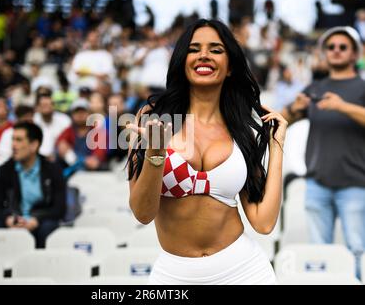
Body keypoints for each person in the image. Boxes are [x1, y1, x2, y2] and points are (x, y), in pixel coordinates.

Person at [127, 19, 287, 285]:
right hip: (175, 276)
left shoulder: (240, 130)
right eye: (194, 49)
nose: (204, 55)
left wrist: (277, 146)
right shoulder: (153, 118)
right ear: (182, 60)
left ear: (230, 67)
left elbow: (264, 222)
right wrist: (155, 154)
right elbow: (143, 213)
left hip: (245, 271)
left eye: (216, 49)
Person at [281, 26, 365, 279]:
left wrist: (342, 106)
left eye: (342, 47)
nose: (336, 51)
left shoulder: (361, 87)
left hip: (355, 183)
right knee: (321, 254)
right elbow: (280, 120)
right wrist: (294, 109)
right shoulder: (315, 87)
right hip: (317, 182)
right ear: (325, 53)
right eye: (331, 47)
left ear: (354, 54)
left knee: (357, 250)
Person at [0, 122, 66, 248]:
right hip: (13, 221)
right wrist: (8, 220)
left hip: (39, 222)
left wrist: (35, 221)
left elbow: (59, 209)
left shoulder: (53, 170)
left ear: (34, 145)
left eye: (19, 140)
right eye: (12, 139)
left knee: (48, 228)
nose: (13, 145)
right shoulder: (3, 171)